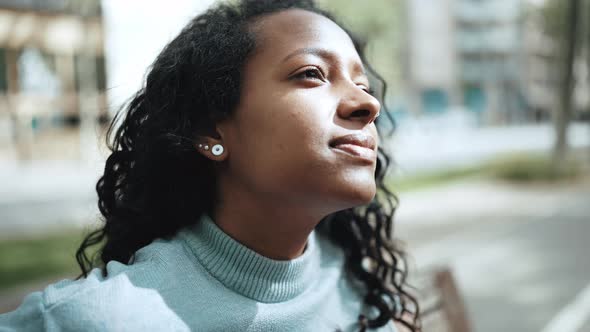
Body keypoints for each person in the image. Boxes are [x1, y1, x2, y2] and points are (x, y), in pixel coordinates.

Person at [0, 0, 420, 331]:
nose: (368, 104)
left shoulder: (354, 278)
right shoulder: (102, 319)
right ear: (211, 132)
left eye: (362, 85)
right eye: (311, 73)